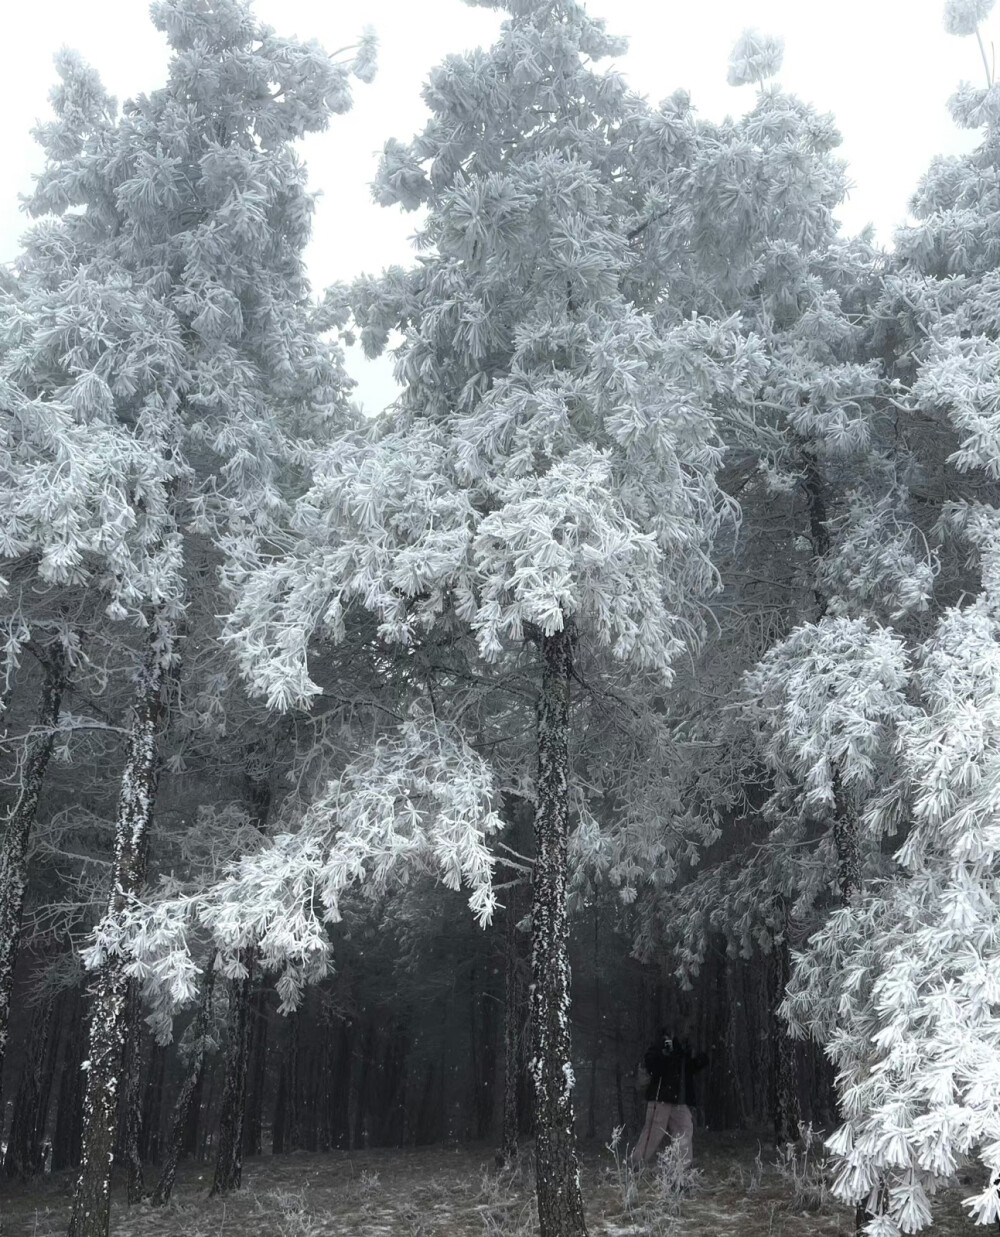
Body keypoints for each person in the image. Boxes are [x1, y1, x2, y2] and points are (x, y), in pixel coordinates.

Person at [631, 1028, 707, 1169]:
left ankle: (682, 1168)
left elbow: (689, 1069)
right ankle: (637, 1165)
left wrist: (699, 1059)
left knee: (684, 1128)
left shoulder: (683, 1046)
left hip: (679, 1099)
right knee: (654, 1132)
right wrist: (665, 1054)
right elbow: (652, 1065)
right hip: (661, 1098)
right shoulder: (661, 1043)